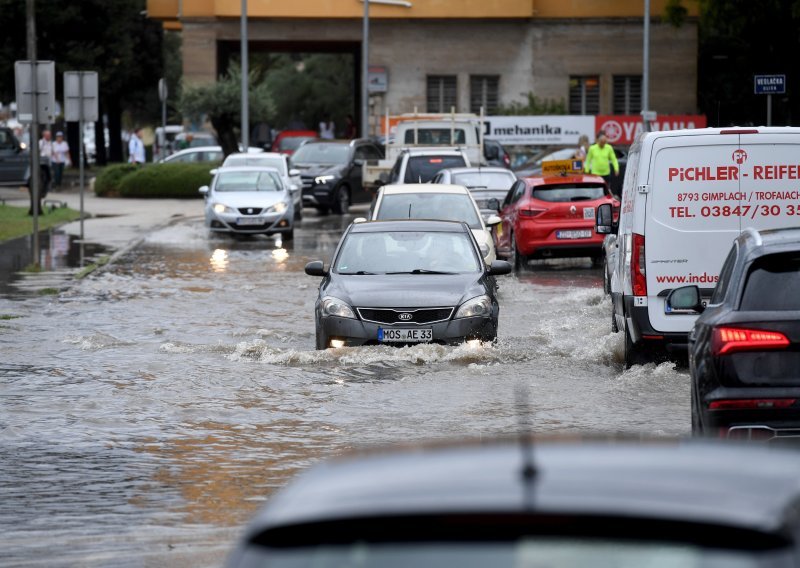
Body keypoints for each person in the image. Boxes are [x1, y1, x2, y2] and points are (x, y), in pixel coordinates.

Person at [584, 130, 619, 195]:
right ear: (598, 141)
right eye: (601, 142)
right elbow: (588, 160)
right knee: (595, 190)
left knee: (606, 189)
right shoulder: (592, 148)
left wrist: (616, 168)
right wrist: (587, 170)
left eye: (604, 142)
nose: (603, 144)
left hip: (606, 173)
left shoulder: (609, 148)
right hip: (595, 173)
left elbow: (614, 159)